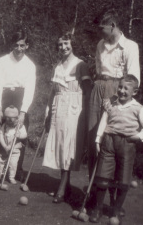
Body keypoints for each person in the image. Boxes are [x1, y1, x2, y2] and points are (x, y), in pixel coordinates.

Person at [87, 9, 141, 212]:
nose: (100, 34)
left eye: (103, 29)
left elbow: (134, 79)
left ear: (112, 26)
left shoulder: (130, 47)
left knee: (113, 141)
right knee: (95, 141)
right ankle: (95, 194)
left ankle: (115, 200)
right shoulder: (100, 44)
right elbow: (98, 69)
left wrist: (117, 98)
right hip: (98, 89)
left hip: (117, 92)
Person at [89, 75, 143, 223]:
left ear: (134, 92)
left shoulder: (138, 108)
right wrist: (98, 139)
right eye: (120, 87)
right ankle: (98, 209)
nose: (122, 91)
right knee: (103, 178)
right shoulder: (111, 104)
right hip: (109, 141)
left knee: (123, 181)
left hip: (127, 145)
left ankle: (115, 211)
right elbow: (104, 121)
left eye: (126, 88)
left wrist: (138, 137)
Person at [42, 32, 92, 203]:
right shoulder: (57, 66)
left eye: (66, 44)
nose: (63, 47)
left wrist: (87, 114)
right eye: (60, 45)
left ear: (72, 44)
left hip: (73, 110)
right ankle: (67, 185)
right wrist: (48, 113)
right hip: (58, 108)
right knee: (60, 145)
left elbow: (87, 91)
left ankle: (62, 189)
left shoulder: (81, 65)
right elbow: (52, 93)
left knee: (68, 147)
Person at [0, 30, 36, 182]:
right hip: (4, 96)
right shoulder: (2, 61)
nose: (19, 49)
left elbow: (30, 89)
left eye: (22, 45)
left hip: (20, 99)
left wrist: (23, 111)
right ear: (12, 45)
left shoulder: (30, 65)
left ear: (27, 46)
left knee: (19, 134)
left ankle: (15, 170)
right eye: (16, 45)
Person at [0, 106, 27, 184]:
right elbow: (0, 136)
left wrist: (19, 135)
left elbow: (25, 135)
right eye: (7, 118)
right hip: (5, 148)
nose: (9, 120)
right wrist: (4, 146)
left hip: (15, 150)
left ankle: (11, 177)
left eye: (12, 118)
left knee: (13, 164)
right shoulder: (4, 125)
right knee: (0, 161)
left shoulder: (20, 126)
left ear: (17, 118)